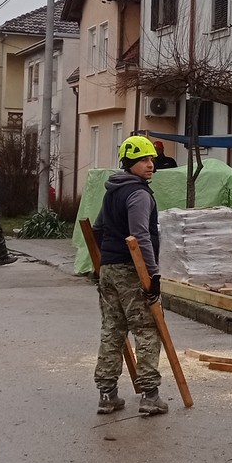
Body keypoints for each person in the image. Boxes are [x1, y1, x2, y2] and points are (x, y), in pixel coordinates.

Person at [92, 135, 167, 416]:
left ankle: (107, 394)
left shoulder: (112, 190)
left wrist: (101, 264)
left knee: (112, 330)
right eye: (144, 160)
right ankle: (150, 395)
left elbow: (98, 229)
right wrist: (153, 275)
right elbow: (140, 237)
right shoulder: (138, 194)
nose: (151, 165)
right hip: (131, 269)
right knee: (147, 329)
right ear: (130, 163)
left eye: (152, 160)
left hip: (109, 269)